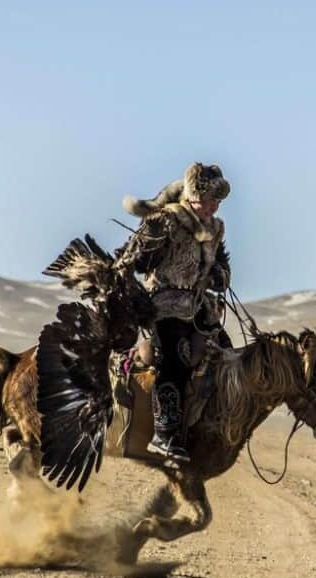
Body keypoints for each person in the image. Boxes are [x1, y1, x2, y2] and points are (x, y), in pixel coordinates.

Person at [115, 162, 232, 462]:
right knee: (176, 356)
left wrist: (219, 275)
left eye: (217, 203)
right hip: (162, 305)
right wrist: (145, 247)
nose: (213, 208)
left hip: (197, 308)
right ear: (194, 198)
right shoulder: (167, 221)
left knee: (226, 352)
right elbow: (135, 261)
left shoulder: (216, 229)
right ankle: (163, 434)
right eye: (209, 202)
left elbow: (221, 268)